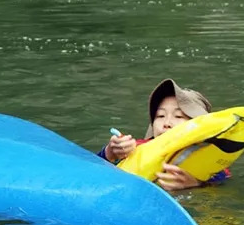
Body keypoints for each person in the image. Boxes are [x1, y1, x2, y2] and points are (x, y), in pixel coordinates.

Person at [97, 78, 230, 191]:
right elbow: (91, 170)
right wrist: (110, 153)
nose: (166, 123)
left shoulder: (213, 163)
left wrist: (197, 184)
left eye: (178, 116)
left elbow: (223, 184)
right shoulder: (135, 150)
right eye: (160, 115)